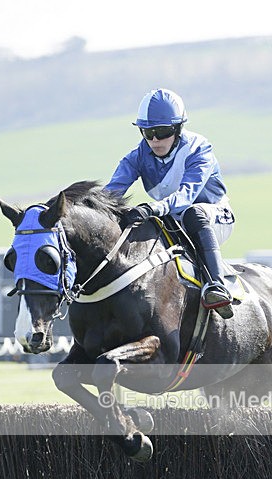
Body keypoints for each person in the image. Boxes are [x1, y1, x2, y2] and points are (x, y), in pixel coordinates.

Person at [104, 88, 235, 318]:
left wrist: (154, 207)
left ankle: (217, 286)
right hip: (173, 220)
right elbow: (110, 195)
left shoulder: (199, 148)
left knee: (194, 213)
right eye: (147, 132)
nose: (154, 140)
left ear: (177, 128)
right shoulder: (136, 157)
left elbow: (187, 195)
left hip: (213, 216)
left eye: (162, 132)